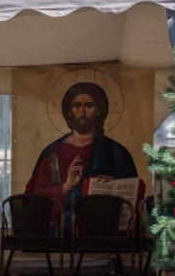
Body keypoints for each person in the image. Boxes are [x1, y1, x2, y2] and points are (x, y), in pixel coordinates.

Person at [24, 81, 140, 213]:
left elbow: (132, 194)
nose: (82, 113)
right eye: (77, 106)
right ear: (69, 111)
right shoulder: (53, 153)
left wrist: (116, 185)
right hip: (61, 221)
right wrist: (66, 186)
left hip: (100, 220)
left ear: (98, 111)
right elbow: (33, 197)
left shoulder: (115, 151)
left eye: (89, 106)